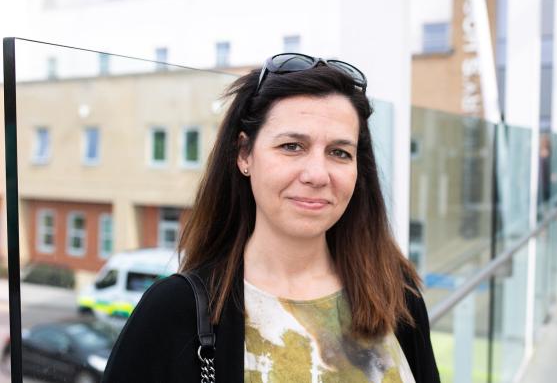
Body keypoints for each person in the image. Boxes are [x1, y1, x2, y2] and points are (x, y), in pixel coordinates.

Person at [102, 53, 439, 383]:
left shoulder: (395, 297)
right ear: (244, 154)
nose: (317, 174)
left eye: (339, 152)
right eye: (292, 146)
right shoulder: (175, 312)